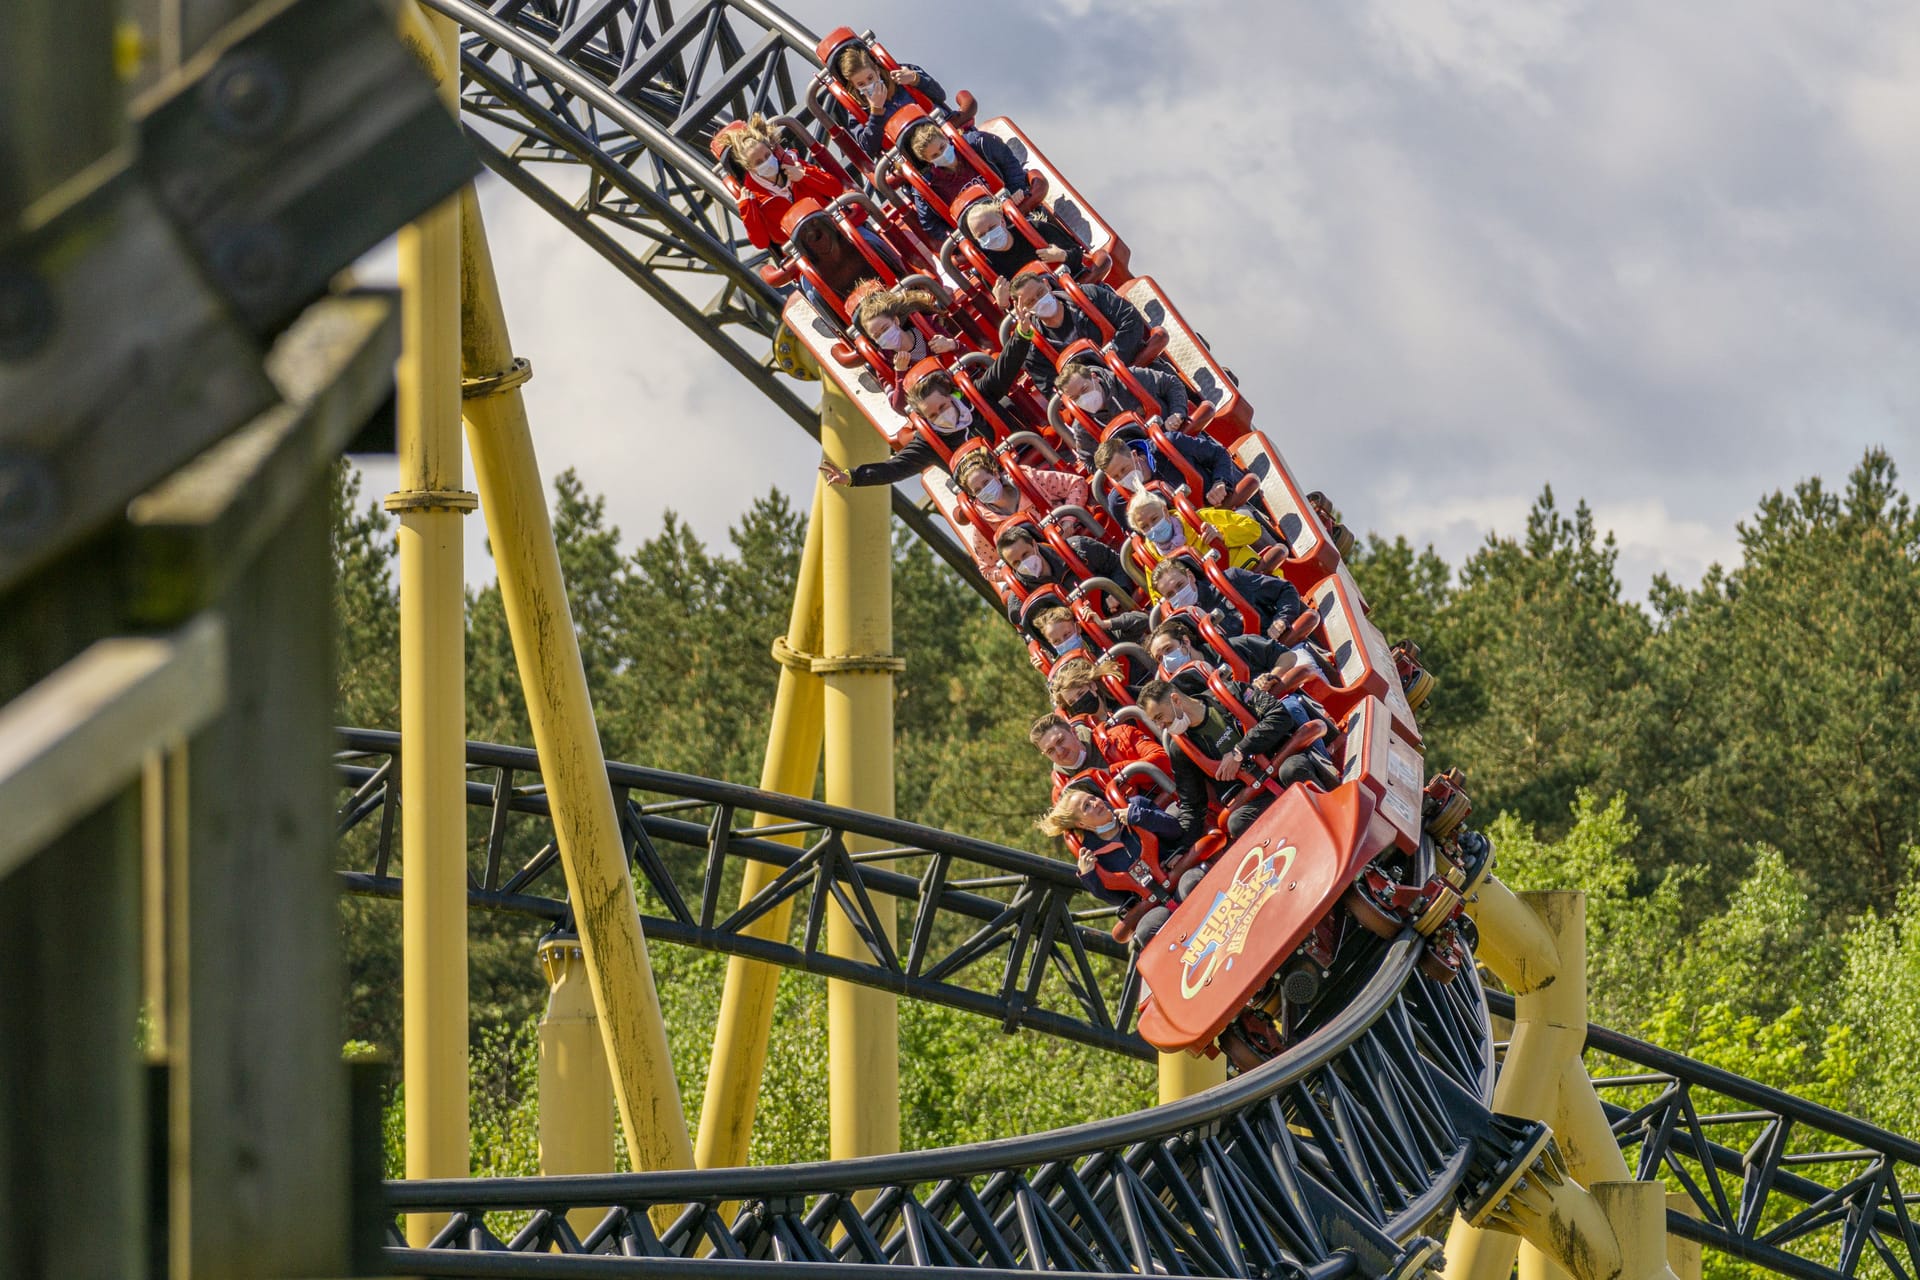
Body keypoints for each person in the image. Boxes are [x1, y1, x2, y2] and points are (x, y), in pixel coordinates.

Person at [818, 324, 1036, 489]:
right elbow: (895, 468)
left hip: (1028, 460)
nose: (942, 415)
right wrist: (853, 477)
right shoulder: (929, 442)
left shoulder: (975, 396)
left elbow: (1006, 365)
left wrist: (1022, 332)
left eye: (942, 407)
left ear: (951, 395)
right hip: (993, 490)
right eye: (932, 414)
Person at [1137, 677, 1326, 844]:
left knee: (1292, 770)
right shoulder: (1181, 748)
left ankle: (1330, 816)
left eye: (1160, 717)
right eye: (1155, 721)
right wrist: (1180, 847)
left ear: (1176, 700)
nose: (1161, 726)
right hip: (1254, 795)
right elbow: (1193, 805)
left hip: (1281, 761)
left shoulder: (1228, 694)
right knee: (1237, 823)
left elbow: (1279, 716)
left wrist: (1240, 751)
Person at [1036, 784, 1198, 943]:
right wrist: (1090, 877)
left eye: (1092, 798)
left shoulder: (1134, 805)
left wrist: (1140, 816)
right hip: (1155, 901)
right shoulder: (1094, 855)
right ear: (1082, 824)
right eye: (1087, 807)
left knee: (1191, 884)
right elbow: (1118, 899)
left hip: (1178, 872)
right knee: (1145, 932)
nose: (1095, 803)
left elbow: (1174, 829)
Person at [1006, 266, 1149, 396]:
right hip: (1100, 398)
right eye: (1031, 302)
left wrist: (1113, 364)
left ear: (1047, 285)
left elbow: (1131, 320)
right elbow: (1052, 391)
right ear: (1024, 310)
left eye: (1040, 293)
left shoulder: (1087, 295)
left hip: (1134, 365)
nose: (1039, 300)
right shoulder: (1034, 349)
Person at [951, 450, 1093, 575]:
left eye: (986, 482)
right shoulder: (983, 523)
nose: (985, 490)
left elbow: (1076, 484)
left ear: (995, 474)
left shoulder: (1027, 479)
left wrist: (1068, 521)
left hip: (1068, 542)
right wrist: (1017, 569)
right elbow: (987, 569)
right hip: (1042, 573)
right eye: (977, 490)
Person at [719, 117, 845, 250]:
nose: (766, 162)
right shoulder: (753, 196)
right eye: (759, 162)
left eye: (767, 156)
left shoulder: (792, 162)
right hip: (806, 253)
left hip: (835, 228)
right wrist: (747, 208)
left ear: (771, 150)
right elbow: (761, 243)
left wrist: (804, 176)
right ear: (749, 168)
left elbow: (835, 189)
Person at [900, 117, 1031, 239]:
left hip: (1013, 207)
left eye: (942, 147)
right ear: (928, 161)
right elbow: (931, 225)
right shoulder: (927, 187)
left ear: (946, 138)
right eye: (935, 155)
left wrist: (1016, 189)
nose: (942, 154)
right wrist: (963, 236)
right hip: (983, 234)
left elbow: (1009, 164)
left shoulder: (978, 143)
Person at [1054, 354, 1190, 465]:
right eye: (1076, 397)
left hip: (1175, 437)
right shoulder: (1083, 428)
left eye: (1084, 390)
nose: (1083, 398)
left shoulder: (1128, 379)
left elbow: (1171, 384)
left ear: (1094, 378)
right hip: (1148, 469)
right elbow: (1090, 462)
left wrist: (1177, 413)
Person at [1093, 430, 1247, 521]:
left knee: (1247, 517)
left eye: (1124, 469)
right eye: (1117, 477)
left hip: (1223, 509)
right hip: (1192, 544)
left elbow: (1219, 454)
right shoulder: (1119, 502)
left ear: (1134, 455)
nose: (1123, 477)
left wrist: (1220, 482)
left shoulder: (1169, 445)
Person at [782, 200, 896, 320]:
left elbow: (899, 268)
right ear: (802, 246)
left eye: (816, 224)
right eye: (805, 234)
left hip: (899, 299)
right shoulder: (811, 281)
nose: (812, 233)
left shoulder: (863, 239)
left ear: (830, 224)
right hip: (866, 327)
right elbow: (836, 324)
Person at [831, 43, 947, 160]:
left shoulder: (901, 72)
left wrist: (915, 79)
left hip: (941, 135)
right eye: (861, 84)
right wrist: (876, 112)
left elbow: (940, 95)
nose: (869, 85)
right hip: (911, 158)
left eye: (870, 78)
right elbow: (868, 149)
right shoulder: (858, 110)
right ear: (855, 86)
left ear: (876, 70)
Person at [1126, 490, 1265, 576]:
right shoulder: (1152, 559)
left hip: (1253, 573)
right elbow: (1159, 599)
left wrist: (1223, 534)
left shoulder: (1199, 519)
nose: (1153, 527)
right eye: (1145, 526)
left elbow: (1253, 529)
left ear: (1164, 511)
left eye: (1154, 519)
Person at [1028, 709, 1170, 789]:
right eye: (1050, 751)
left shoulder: (1118, 736)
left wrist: (1110, 773)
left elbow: (1164, 760)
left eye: (1060, 741)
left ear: (1073, 732)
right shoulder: (1062, 788)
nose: (1059, 751)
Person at [958, 191, 1081, 282]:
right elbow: (1009, 309)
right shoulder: (991, 268)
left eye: (991, 228)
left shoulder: (1034, 229)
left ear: (1002, 221)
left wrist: (1062, 255)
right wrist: (1004, 302)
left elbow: (1077, 255)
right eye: (982, 235)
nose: (989, 235)